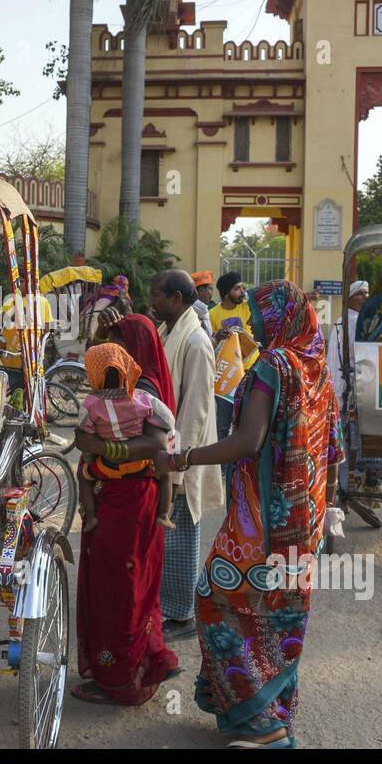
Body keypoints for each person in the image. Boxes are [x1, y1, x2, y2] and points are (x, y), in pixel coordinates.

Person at [154, 280, 342, 749]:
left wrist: (182, 459)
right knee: (277, 613)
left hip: (260, 520)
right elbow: (333, 453)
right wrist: (324, 514)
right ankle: (265, 709)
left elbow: (248, 440)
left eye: (258, 313)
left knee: (216, 599)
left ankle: (263, 724)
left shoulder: (274, 367)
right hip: (304, 520)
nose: (250, 321)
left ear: (280, 317)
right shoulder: (317, 367)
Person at [70, 313, 179, 705]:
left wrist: (103, 452)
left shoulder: (139, 388)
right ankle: (143, 662)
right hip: (137, 496)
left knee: (117, 588)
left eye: (119, 339)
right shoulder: (139, 384)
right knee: (134, 585)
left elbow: (153, 446)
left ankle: (118, 677)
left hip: (124, 499)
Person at [150, 269, 224, 642]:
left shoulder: (195, 341)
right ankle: (170, 607)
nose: (153, 302)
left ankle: (182, 615)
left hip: (182, 457)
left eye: (158, 296)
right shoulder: (169, 331)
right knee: (167, 537)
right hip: (169, 452)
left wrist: (179, 467)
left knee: (180, 536)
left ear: (177, 299)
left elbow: (195, 411)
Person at [75, 343, 176, 532]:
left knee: (83, 475)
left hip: (108, 466)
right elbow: (168, 419)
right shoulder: (142, 398)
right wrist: (171, 438)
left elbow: (84, 434)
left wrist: (90, 456)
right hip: (144, 465)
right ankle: (164, 515)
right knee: (165, 475)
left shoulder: (91, 404)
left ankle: (90, 518)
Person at [209, 272, 258, 441]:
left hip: (251, 371)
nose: (242, 291)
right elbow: (211, 345)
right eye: (237, 288)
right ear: (226, 292)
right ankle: (221, 466)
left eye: (242, 287)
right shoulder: (213, 314)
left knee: (246, 424)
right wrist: (217, 336)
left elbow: (258, 295)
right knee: (222, 425)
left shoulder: (246, 307)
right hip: (228, 376)